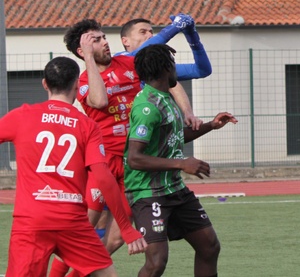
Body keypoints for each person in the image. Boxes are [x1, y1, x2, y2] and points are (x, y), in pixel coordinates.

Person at [56, 17, 202, 277]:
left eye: (103, 37)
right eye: (97, 40)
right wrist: (90, 58)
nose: (105, 43)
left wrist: (187, 111)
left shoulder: (129, 63)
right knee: (83, 232)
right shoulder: (84, 79)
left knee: (115, 240)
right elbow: (99, 101)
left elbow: (169, 76)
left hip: (132, 166)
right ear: (82, 50)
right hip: (104, 164)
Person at [0, 57, 147, 276]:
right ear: (77, 84)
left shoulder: (22, 115)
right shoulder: (87, 125)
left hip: (32, 221)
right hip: (72, 221)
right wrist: (126, 228)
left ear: (44, 84)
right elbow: (104, 178)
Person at [125, 44, 237, 277]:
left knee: (209, 246)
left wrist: (210, 126)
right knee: (156, 262)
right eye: (173, 62)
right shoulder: (147, 107)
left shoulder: (166, 98)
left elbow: (174, 135)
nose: (176, 67)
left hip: (174, 188)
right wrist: (182, 163)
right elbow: (134, 158)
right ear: (166, 67)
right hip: (148, 192)